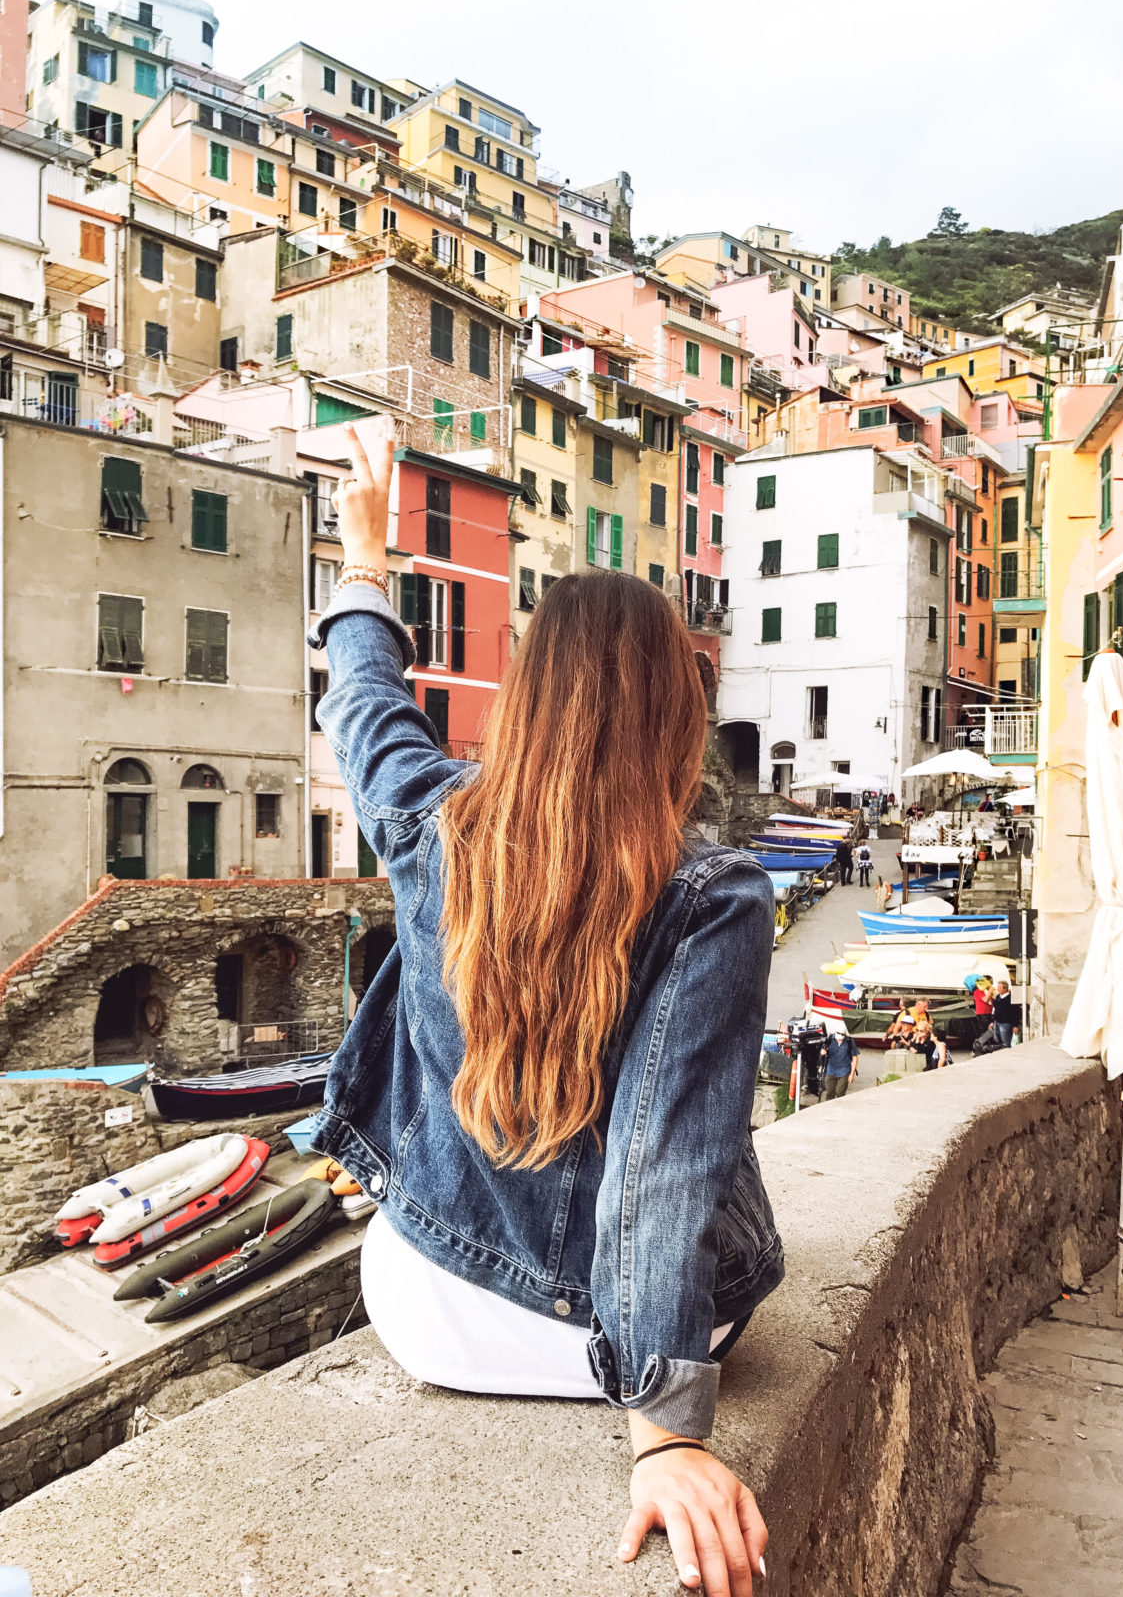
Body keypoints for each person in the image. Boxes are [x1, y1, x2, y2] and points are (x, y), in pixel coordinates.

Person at [314, 428, 780, 1596]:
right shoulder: (712, 896)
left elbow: (364, 705)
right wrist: (666, 1430)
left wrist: (364, 559)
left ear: (528, 698)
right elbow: (663, 1167)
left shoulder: (430, 822)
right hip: (637, 1347)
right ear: (674, 709)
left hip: (434, 1315)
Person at [821, 1029, 859, 1099]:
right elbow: (821, 1049)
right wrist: (823, 1052)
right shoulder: (829, 1039)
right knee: (829, 1093)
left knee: (839, 1093)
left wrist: (852, 1074)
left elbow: (855, 1058)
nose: (839, 1040)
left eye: (841, 1039)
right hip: (831, 1070)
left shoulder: (849, 1041)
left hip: (844, 1071)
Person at [991, 981, 1016, 1048]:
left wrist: (1015, 1025)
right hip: (997, 1022)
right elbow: (995, 1009)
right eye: (998, 987)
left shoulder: (1010, 998)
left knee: (1005, 1041)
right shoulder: (997, 997)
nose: (998, 989)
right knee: (997, 1040)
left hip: (1005, 1023)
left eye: (999, 987)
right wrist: (992, 1021)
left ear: (1005, 989)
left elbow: (1015, 1012)